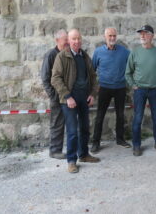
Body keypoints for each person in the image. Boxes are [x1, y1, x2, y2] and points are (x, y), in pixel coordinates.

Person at [51, 29, 100, 173]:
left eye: (79, 38)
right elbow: (55, 78)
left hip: (84, 98)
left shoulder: (84, 56)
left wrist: (92, 94)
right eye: (74, 39)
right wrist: (67, 97)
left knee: (85, 128)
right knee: (72, 131)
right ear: (69, 40)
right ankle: (72, 161)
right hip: (69, 100)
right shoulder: (62, 56)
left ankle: (84, 154)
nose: (77, 41)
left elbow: (93, 77)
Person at [125, 25, 156, 156]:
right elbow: (128, 72)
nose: (142, 36)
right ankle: (136, 145)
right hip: (139, 90)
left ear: (152, 36)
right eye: (141, 33)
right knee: (138, 118)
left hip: (154, 90)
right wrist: (133, 85)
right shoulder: (135, 52)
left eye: (145, 33)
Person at [90, 27, 131, 153]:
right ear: (105, 37)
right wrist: (94, 88)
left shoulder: (124, 52)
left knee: (120, 115)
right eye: (110, 36)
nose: (112, 38)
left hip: (120, 88)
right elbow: (92, 71)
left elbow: (131, 67)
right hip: (104, 88)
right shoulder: (98, 52)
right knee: (100, 115)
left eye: (114, 36)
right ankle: (96, 142)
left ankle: (120, 139)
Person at [41, 29, 68, 159]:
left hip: (68, 96)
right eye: (65, 40)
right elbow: (45, 78)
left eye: (68, 40)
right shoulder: (51, 55)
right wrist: (53, 96)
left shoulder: (68, 53)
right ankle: (55, 150)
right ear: (57, 41)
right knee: (57, 124)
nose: (68, 42)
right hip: (57, 97)